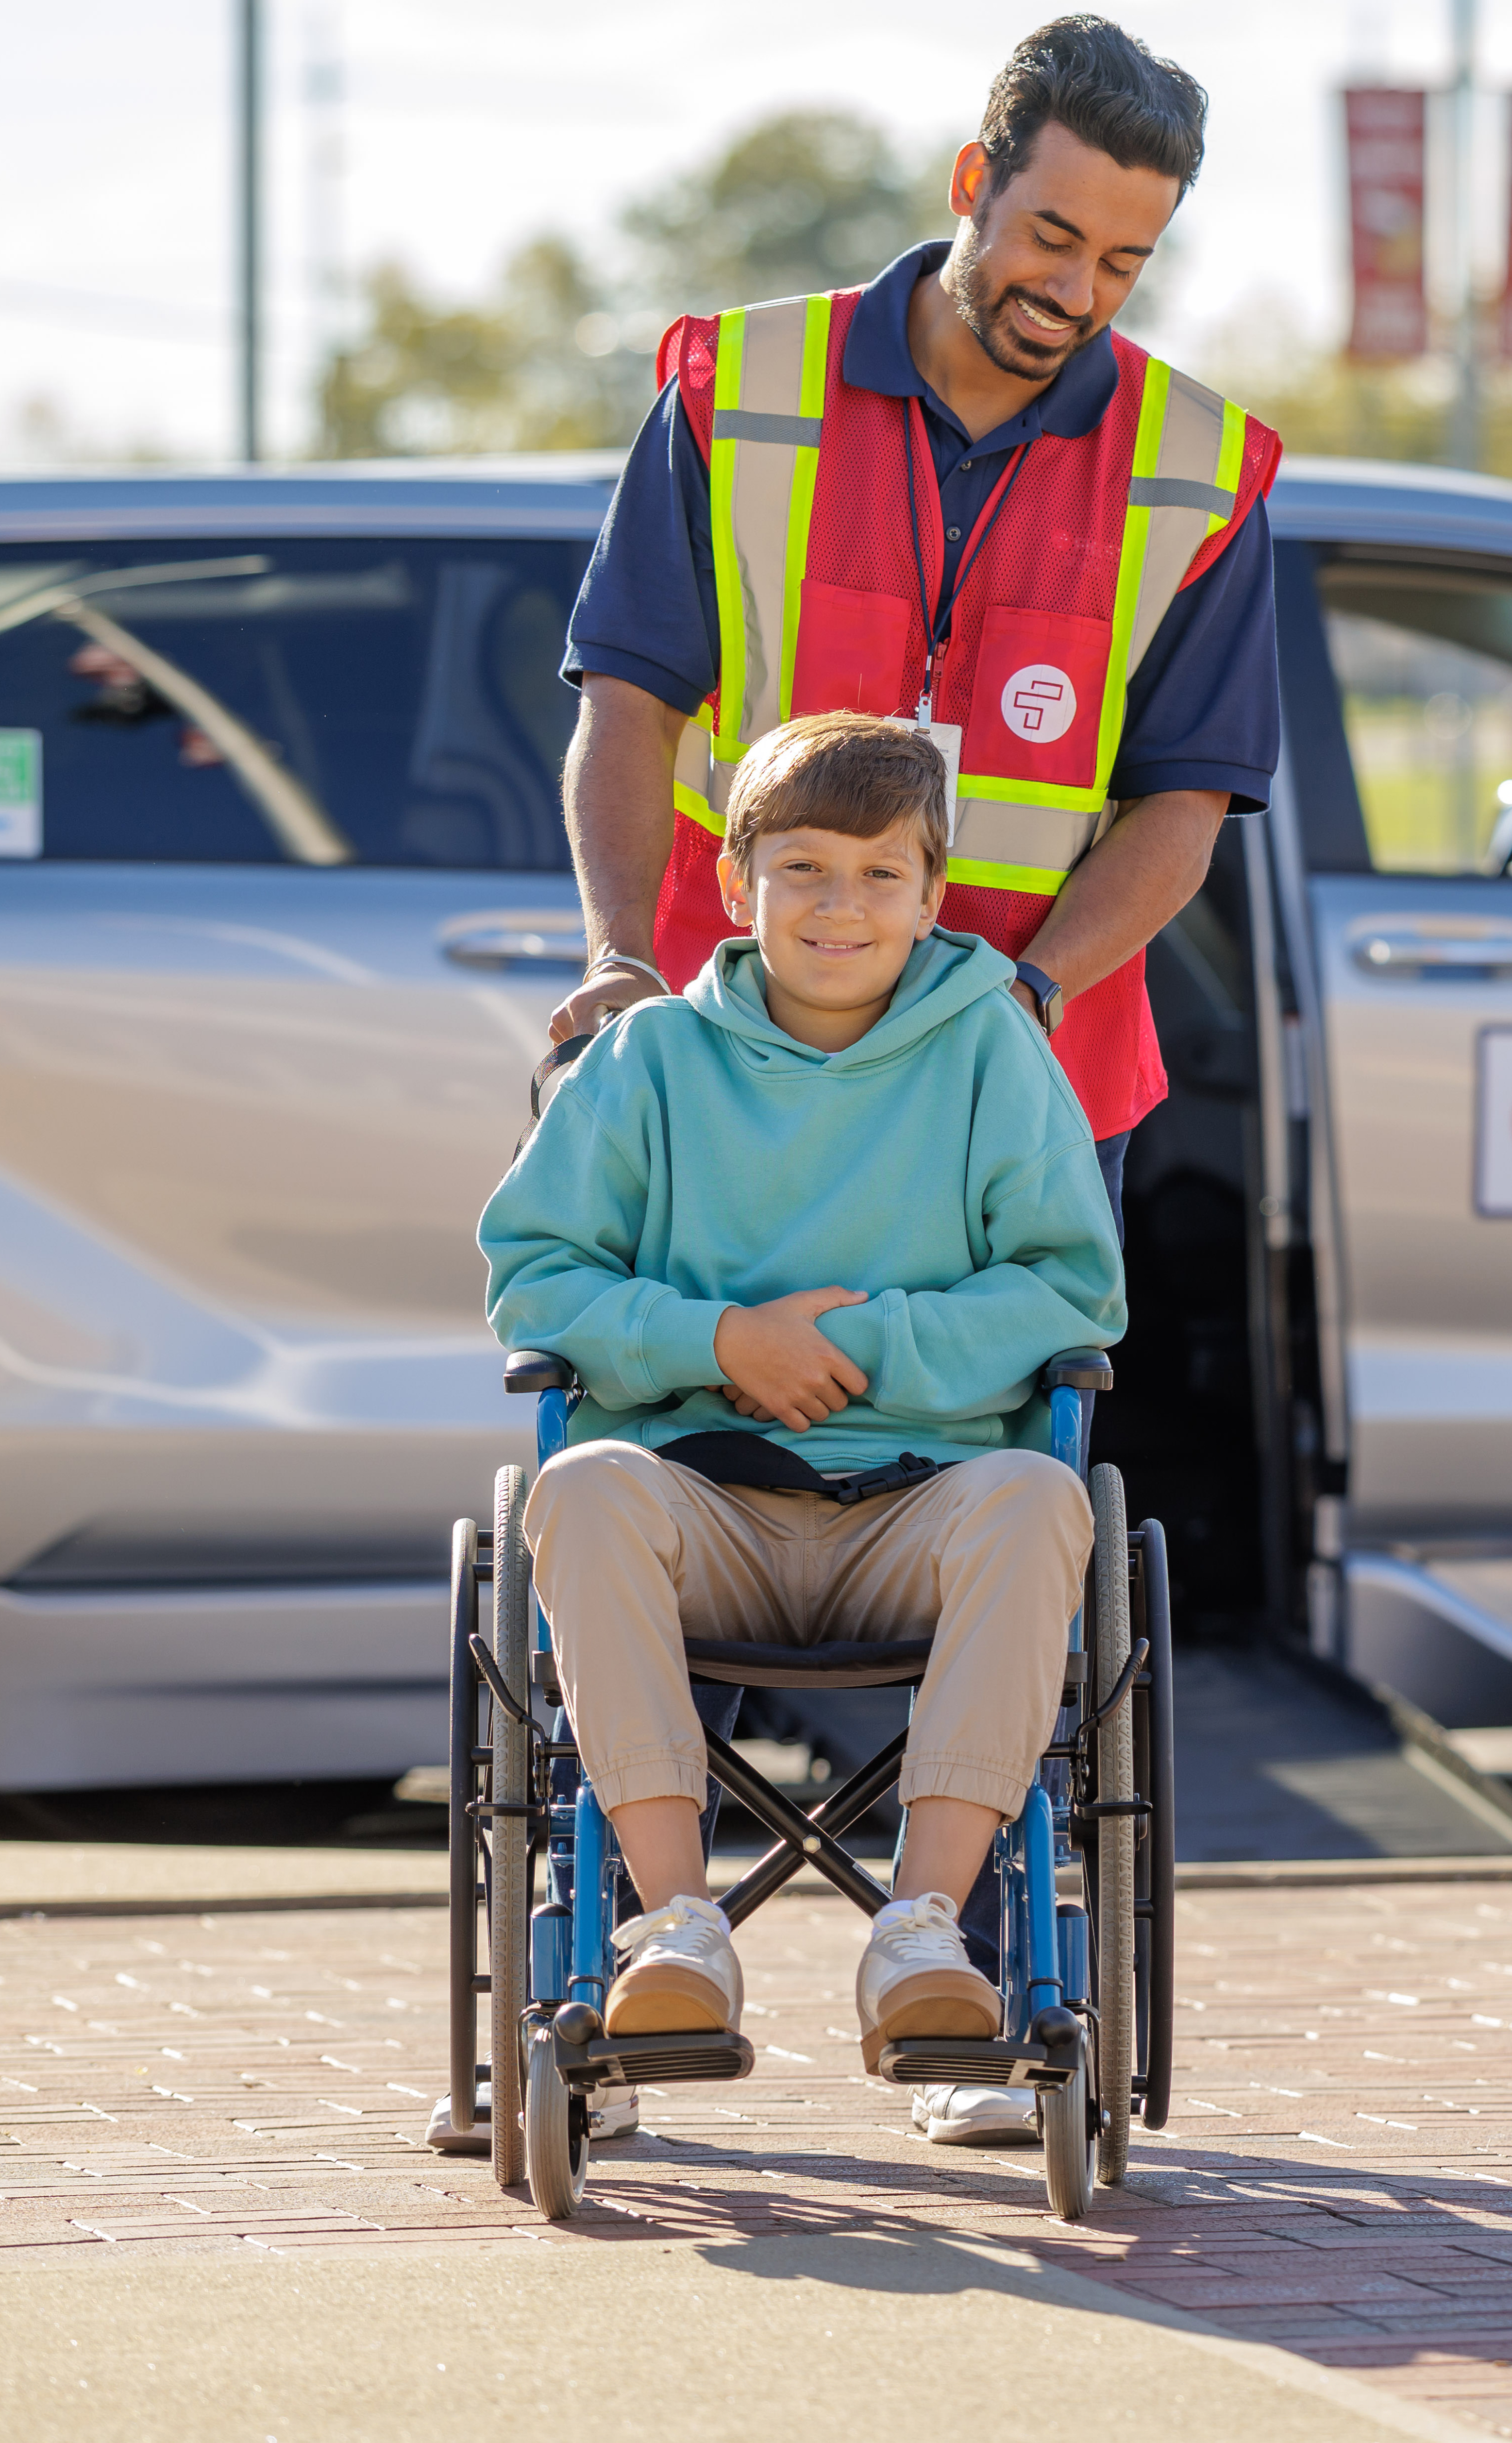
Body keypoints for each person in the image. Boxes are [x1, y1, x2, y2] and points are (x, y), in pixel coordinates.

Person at [545, 13, 1286, 1241]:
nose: (1073, 293)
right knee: (689, 1420)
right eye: (1051, 237)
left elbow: (1183, 804)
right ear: (969, 183)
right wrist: (617, 952)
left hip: (1022, 1086)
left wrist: (1022, 1001)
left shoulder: (1201, 469)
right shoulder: (738, 393)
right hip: (726, 1061)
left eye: (1120, 262)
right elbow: (626, 703)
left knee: (997, 1432)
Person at [478, 713, 1125, 2104]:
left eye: (881, 875)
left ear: (933, 894)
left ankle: (925, 1933)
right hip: (702, 1496)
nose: (842, 906)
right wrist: (722, 1341)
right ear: (735, 881)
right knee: (578, 1486)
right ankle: (672, 1931)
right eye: (805, 870)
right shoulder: (648, 1062)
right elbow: (533, 1278)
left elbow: (1072, 1295)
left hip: (922, 1503)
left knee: (1040, 1496)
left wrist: (861, 1352)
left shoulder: (993, 1057)